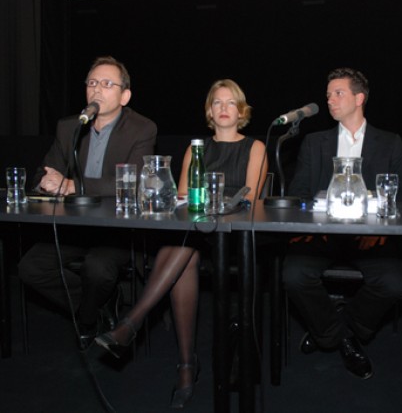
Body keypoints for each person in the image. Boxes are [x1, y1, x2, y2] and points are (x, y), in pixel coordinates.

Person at [95, 79, 267, 408]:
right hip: (196, 234)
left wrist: (216, 210)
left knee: (183, 246)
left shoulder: (255, 148)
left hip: (234, 238)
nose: (223, 108)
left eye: (231, 103)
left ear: (241, 110)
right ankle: (185, 363)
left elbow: (253, 202)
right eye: (217, 103)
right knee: (185, 248)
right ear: (209, 111)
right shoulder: (196, 149)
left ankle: (135, 325)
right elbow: (183, 198)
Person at [282, 67, 402, 379]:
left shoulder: (389, 142)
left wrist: (379, 228)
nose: (330, 100)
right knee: (293, 274)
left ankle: (341, 328)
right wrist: (312, 225)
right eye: (328, 95)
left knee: (394, 283)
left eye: (338, 93)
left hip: (371, 235)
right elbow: (298, 194)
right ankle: (339, 337)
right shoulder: (315, 142)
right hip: (323, 233)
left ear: (359, 98)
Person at [18, 56, 157, 348]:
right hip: (74, 226)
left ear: (125, 95)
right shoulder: (69, 127)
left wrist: (71, 185)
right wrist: (47, 181)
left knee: (98, 268)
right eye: (92, 83)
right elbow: (42, 175)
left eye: (107, 84)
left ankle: (87, 320)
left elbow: (130, 184)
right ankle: (92, 307)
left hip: (117, 228)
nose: (97, 90)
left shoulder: (142, 129)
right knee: (30, 267)